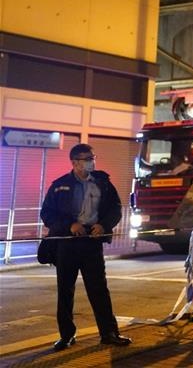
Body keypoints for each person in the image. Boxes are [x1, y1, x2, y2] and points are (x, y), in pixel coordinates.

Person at [40, 143, 132, 351]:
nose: (92, 162)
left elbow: (115, 209)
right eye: (87, 159)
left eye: (93, 158)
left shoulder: (103, 183)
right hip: (67, 243)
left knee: (99, 289)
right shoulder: (59, 185)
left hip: (92, 242)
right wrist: (70, 225)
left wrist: (104, 225)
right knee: (65, 290)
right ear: (75, 162)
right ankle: (66, 335)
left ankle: (109, 333)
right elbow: (47, 214)